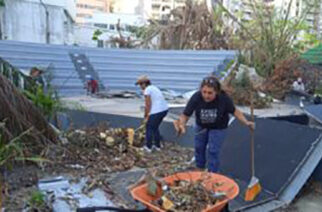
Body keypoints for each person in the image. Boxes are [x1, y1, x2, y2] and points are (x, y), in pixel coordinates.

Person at [173, 76, 255, 173]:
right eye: (204, 92)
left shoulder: (223, 98)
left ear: (217, 92)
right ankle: (200, 168)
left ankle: (213, 173)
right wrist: (181, 125)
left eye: (210, 93)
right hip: (201, 126)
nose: (206, 96)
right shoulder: (196, 97)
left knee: (213, 150)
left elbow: (235, 111)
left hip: (218, 128)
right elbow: (185, 115)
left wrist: (246, 122)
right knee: (199, 147)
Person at [135, 75, 168, 152]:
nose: (140, 87)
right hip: (164, 110)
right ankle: (157, 146)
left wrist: (146, 115)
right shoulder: (154, 87)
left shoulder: (147, 90)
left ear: (144, 84)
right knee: (155, 127)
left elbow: (148, 104)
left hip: (157, 111)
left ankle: (148, 147)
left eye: (140, 84)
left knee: (149, 128)